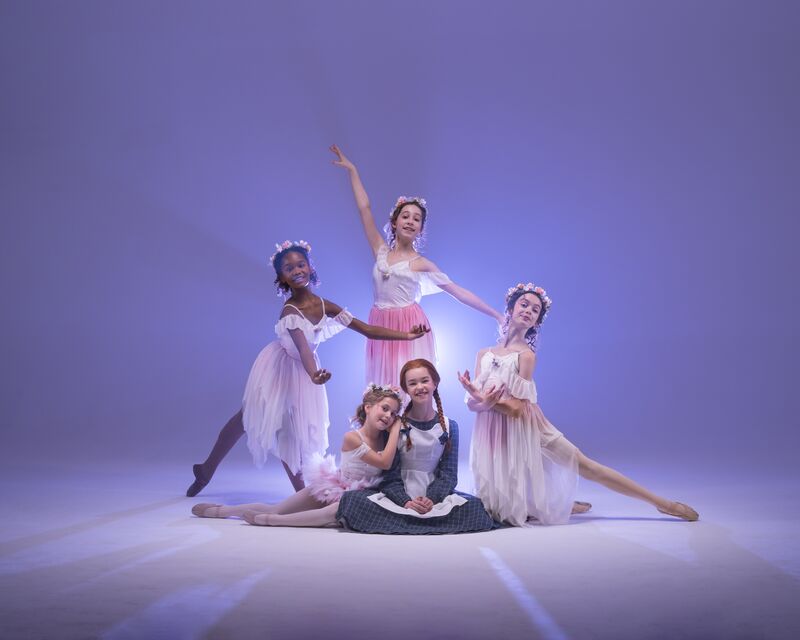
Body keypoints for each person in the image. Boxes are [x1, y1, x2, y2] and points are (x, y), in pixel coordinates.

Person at [186, 241, 428, 497]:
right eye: (289, 268)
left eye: (300, 265)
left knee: (285, 429)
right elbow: (303, 349)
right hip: (281, 368)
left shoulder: (325, 305)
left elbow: (366, 329)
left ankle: (216, 472)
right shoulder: (289, 311)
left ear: (311, 267)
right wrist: (314, 374)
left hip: (306, 372)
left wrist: (406, 335)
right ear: (282, 277)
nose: (297, 271)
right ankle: (213, 471)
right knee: (250, 419)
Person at [459, 282, 700, 525]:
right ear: (510, 309)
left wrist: (486, 401)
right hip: (493, 434)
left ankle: (663, 504)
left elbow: (517, 409)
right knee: (507, 495)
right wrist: (481, 400)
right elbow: (473, 404)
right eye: (524, 304)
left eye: (535, 310)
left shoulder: (526, 356)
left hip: (531, 428)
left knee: (586, 466)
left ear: (536, 322)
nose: (528, 311)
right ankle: (559, 505)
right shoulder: (484, 354)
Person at [330, 144, 503, 385]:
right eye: (405, 216)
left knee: (409, 380)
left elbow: (458, 292)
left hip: (408, 324)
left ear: (421, 229)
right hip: (379, 321)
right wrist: (352, 170)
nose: (410, 221)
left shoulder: (422, 264)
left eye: (417, 219)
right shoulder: (380, 250)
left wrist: (496, 314)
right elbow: (364, 209)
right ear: (394, 222)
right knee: (384, 384)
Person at [192, 384, 404, 527]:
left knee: (331, 514)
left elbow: (387, 464)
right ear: (368, 407)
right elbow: (384, 462)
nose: (389, 416)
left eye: (394, 414)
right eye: (385, 408)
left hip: (356, 496)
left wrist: (394, 432)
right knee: (278, 507)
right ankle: (223, 511)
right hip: (336, 485)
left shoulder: (386, 440)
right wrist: (396, 430)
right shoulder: (353, 437)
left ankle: (273, 521)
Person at [336, 359, 497, 534]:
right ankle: (426, 522)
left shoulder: (450, 426)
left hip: (435, 497)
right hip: (397, 496)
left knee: (475, 507)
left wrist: (431, 499)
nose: (419, 387)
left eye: (425, 381)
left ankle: (405, 522)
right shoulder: (394, 425)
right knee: (353, 500)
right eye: (412, 383)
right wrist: (405, 501)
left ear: (435, 383)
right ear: (406, 389)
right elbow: (389, 475)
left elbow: (449, 474)